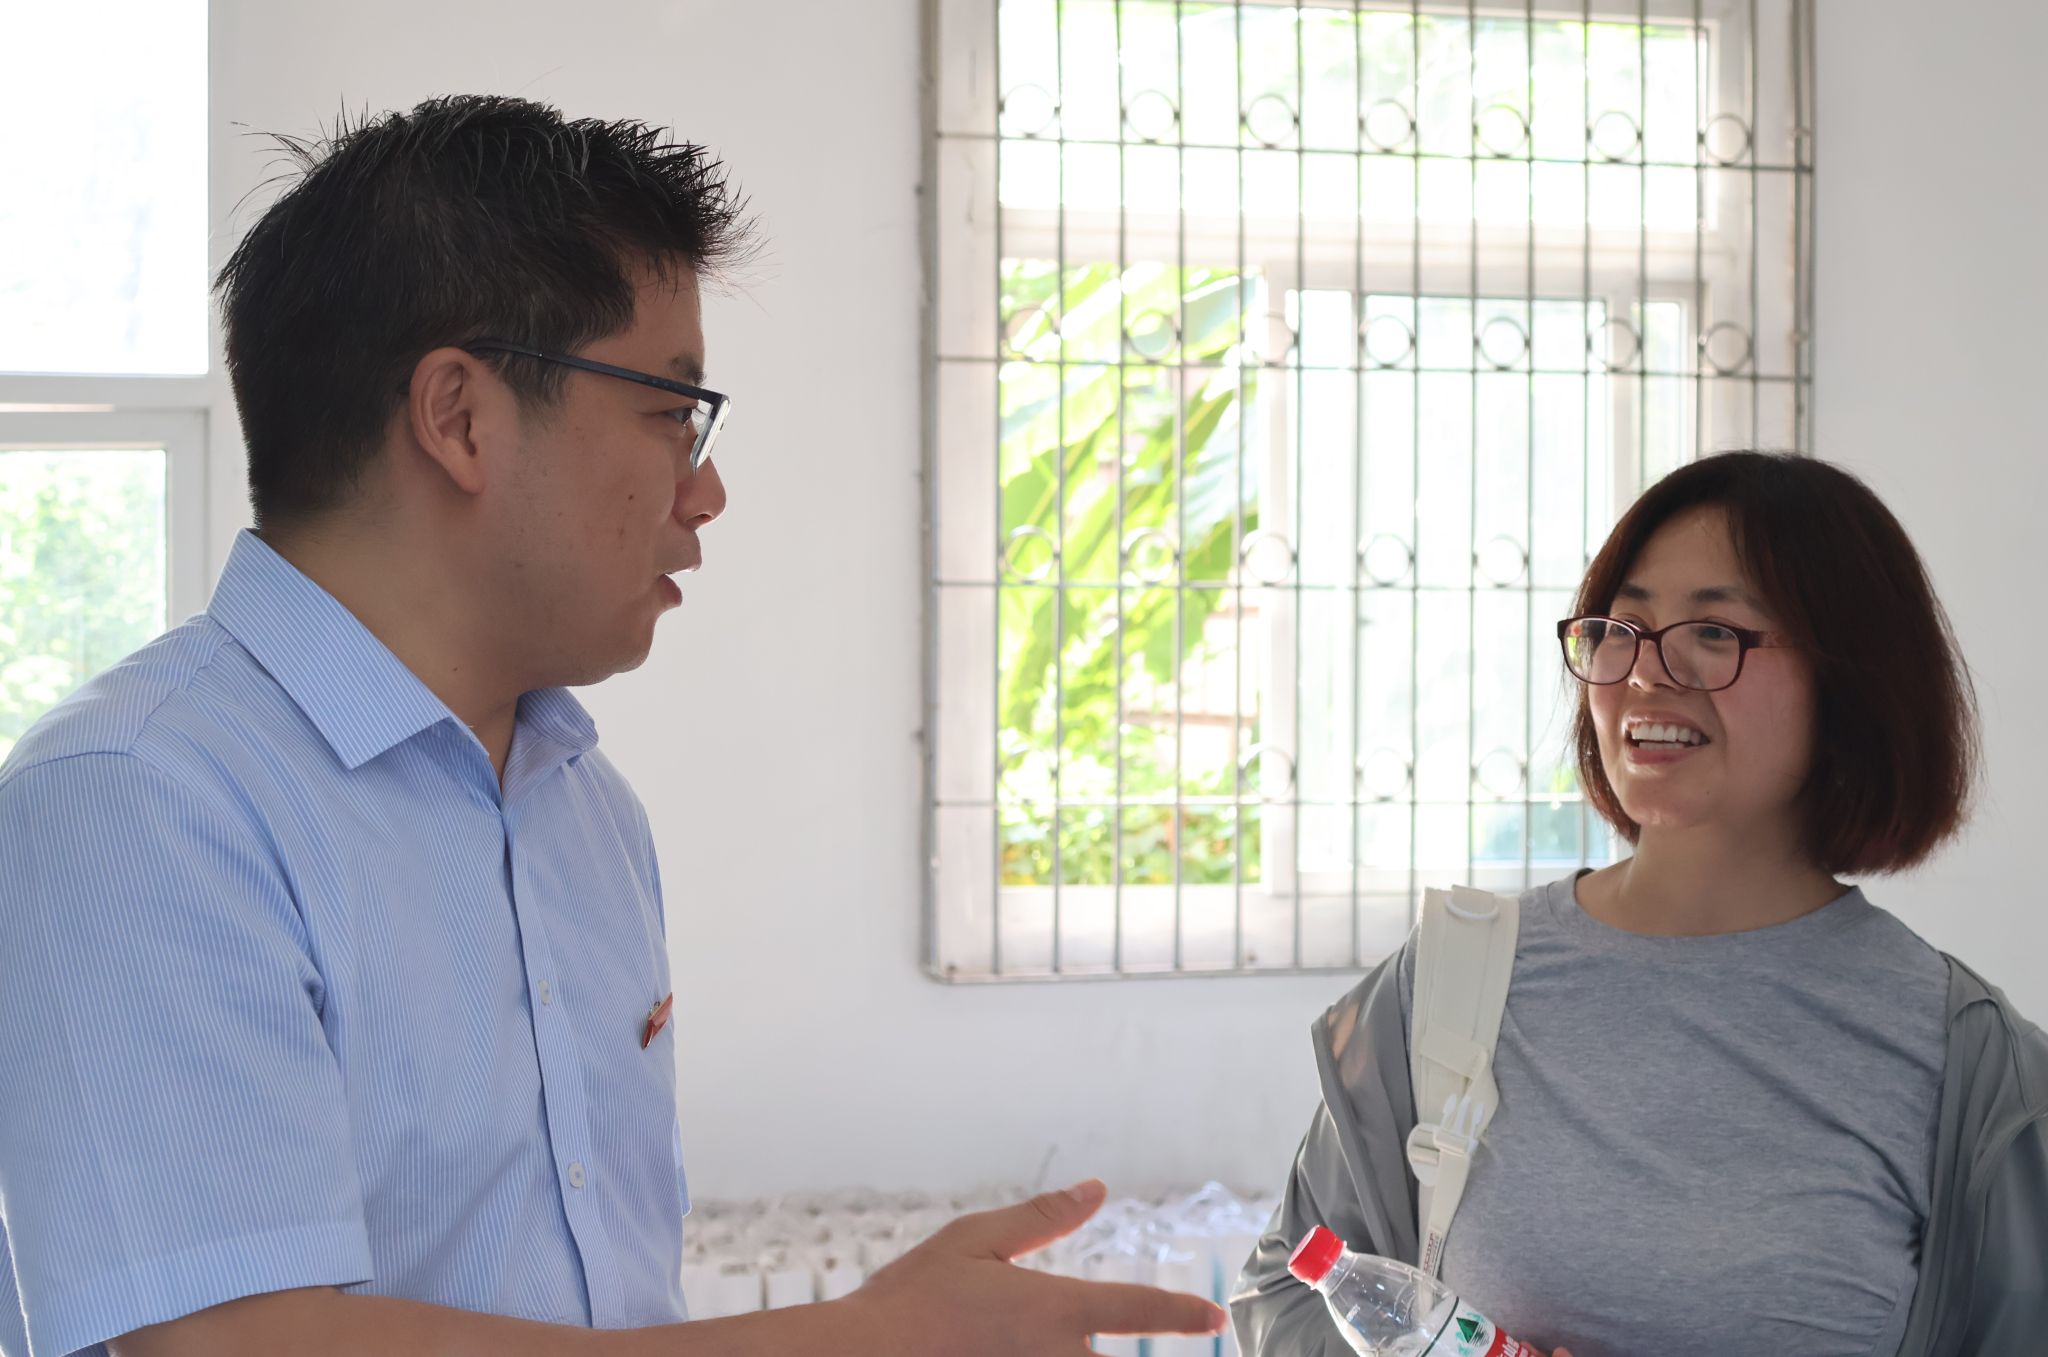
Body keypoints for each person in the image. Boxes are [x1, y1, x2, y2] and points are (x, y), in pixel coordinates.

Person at [0, 95, 1225, 1357]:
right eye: (669, 411)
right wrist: (853, 1341)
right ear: (459, 418)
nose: (706, 490)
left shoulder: (581, 806)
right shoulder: (137, 798)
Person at [1231, 452, 2048, 1357]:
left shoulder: (1968, 1061)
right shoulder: (1455, 981)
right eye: (1622, 627)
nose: (1648, 672)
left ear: (1849, 677)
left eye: (1714, 630)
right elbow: (1286, 1293)